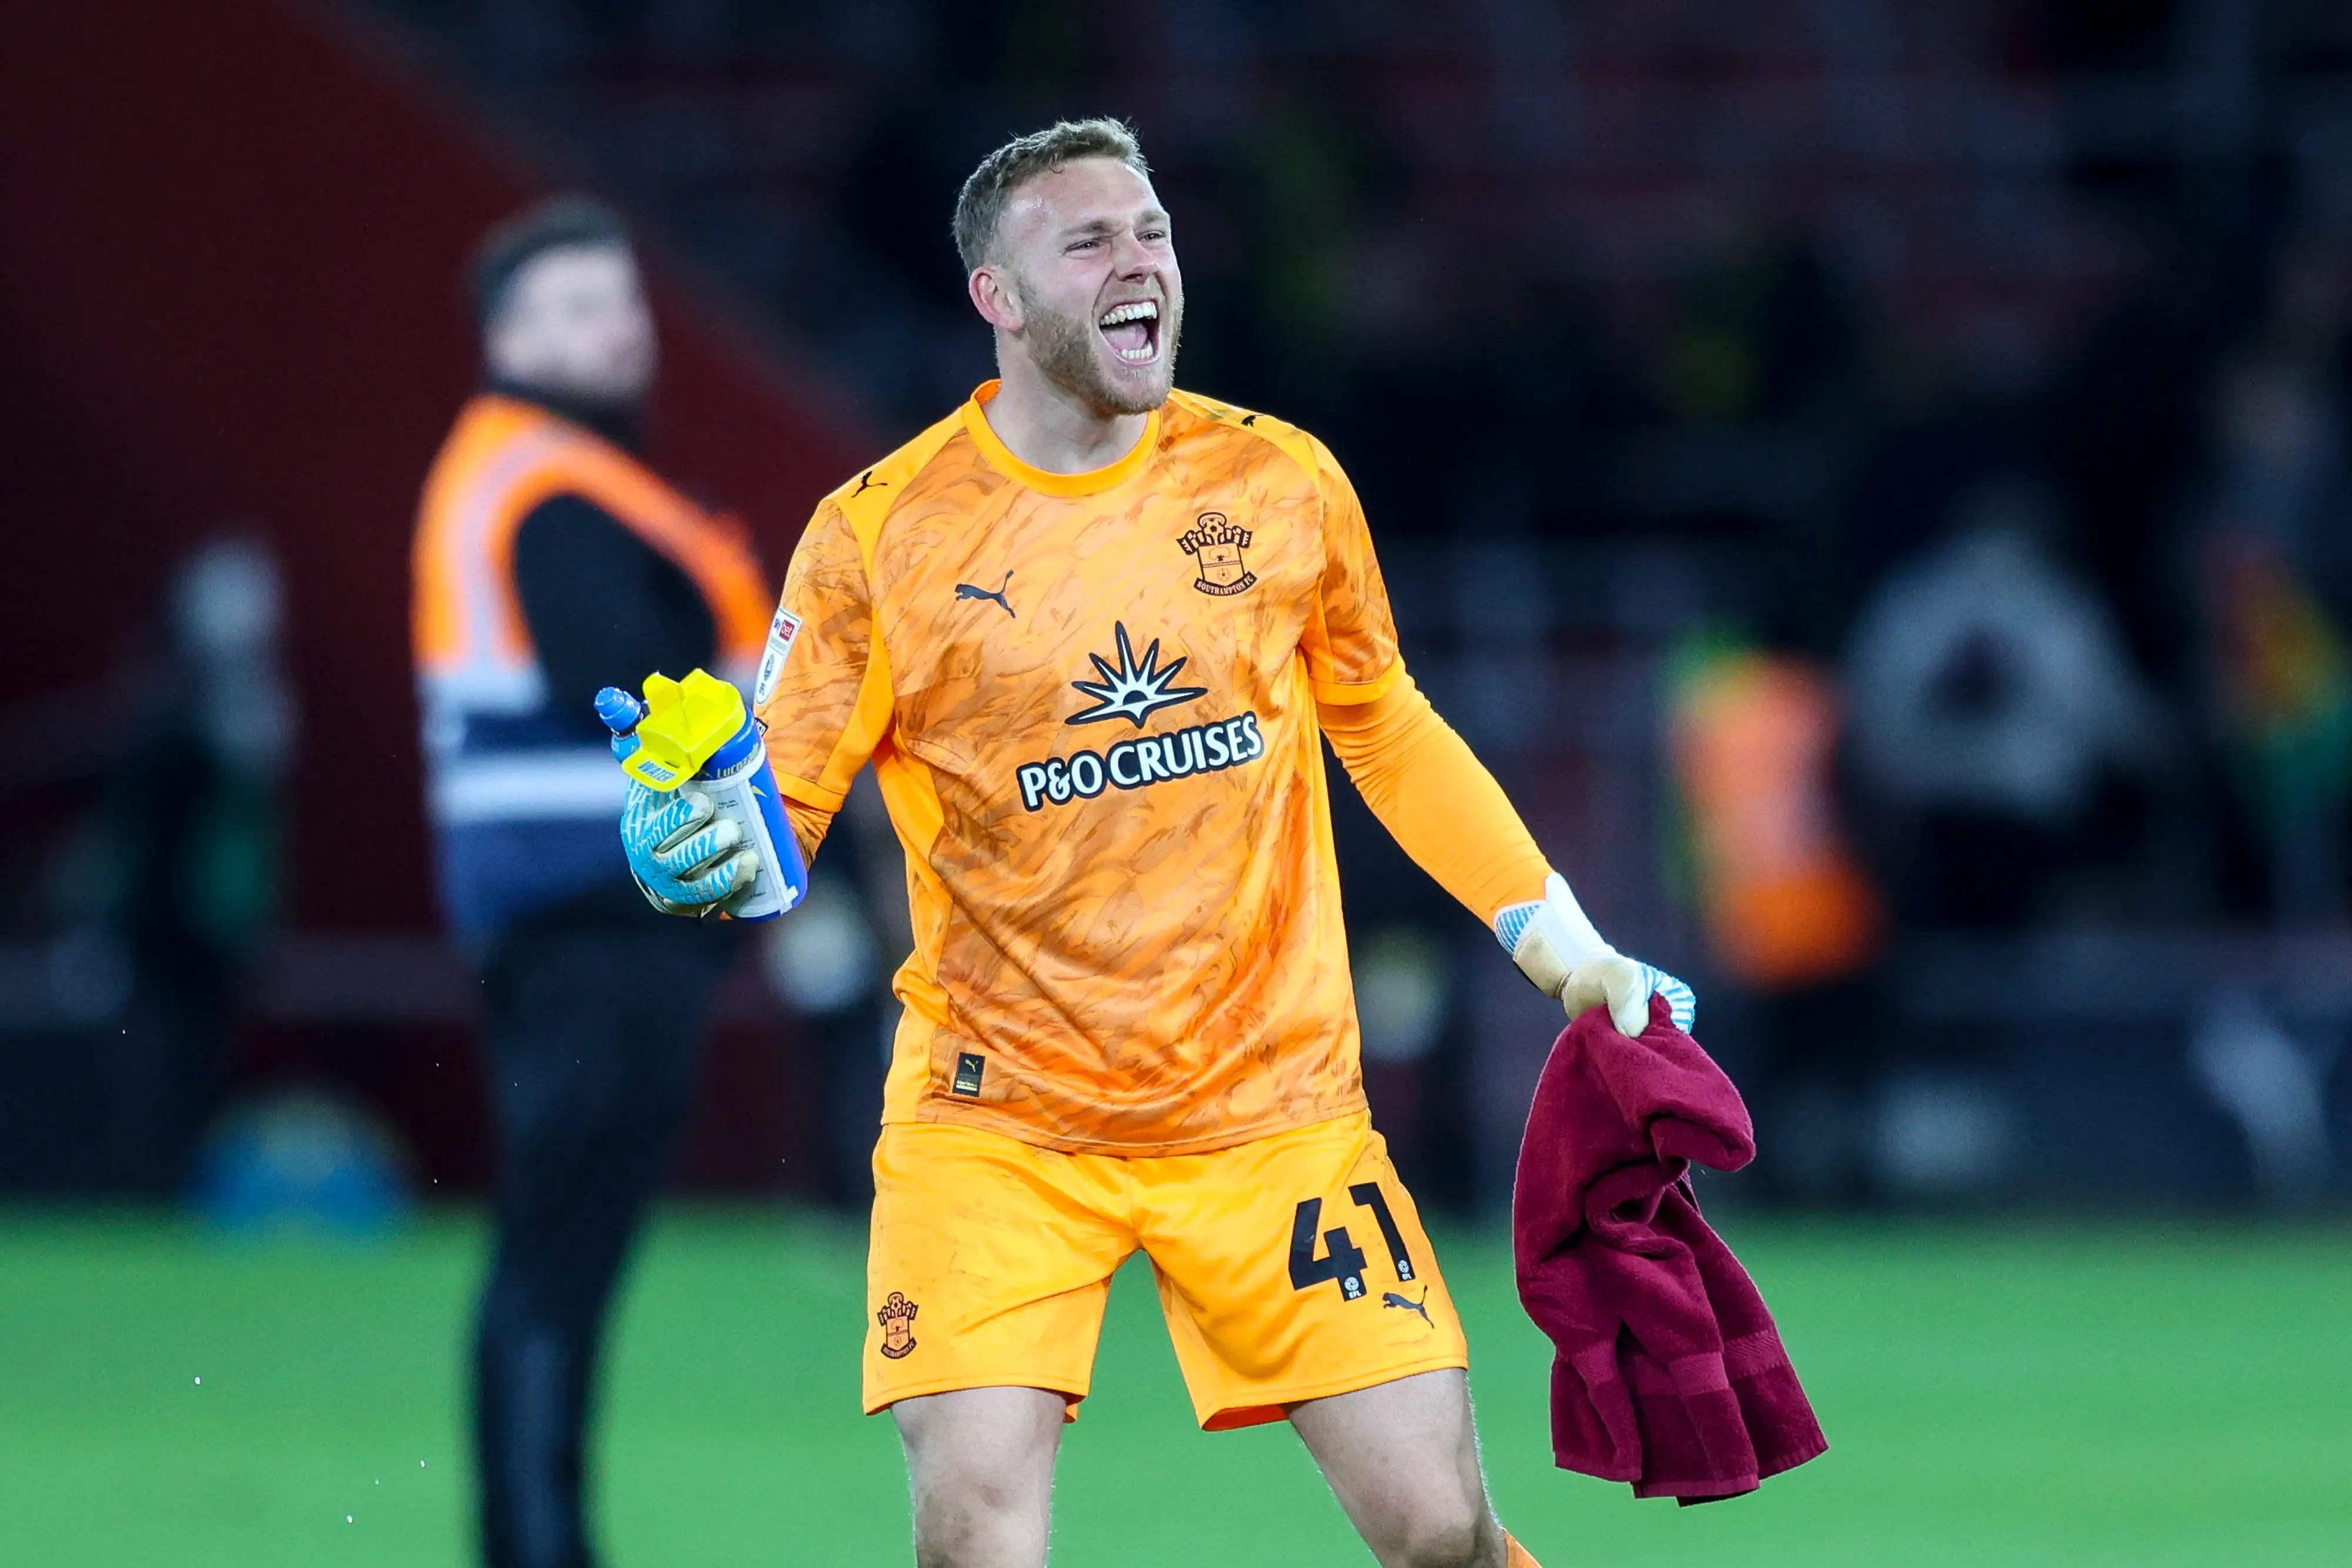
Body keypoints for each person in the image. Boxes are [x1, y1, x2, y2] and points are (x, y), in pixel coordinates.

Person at [620, 121, 1691, 1568]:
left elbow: (1387, 729)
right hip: (996, 1119)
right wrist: (691, 845)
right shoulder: (879, 535)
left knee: (1440, 1530)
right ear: (998, 297)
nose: (1140, 265)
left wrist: (1564, 948)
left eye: (1153, 233)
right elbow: (777, 830)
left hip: (1270, 1102)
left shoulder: (1277, 483)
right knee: (971, 1531)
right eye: (1089, 243)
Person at [411, 196, 772, 1568]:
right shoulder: (551, 486)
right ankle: (536, 1544)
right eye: (572, 307)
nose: (613, 329)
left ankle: (540, 1536)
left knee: (561, 1257)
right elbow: (620, 686)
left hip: (589, 916)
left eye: (618, 300)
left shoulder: (551, 475)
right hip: (588, 915)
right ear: (505, 339)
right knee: (557, 1259)